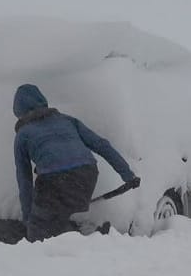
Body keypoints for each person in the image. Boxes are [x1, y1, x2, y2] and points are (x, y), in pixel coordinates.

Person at [13, 84, 140, 242]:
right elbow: (101, 145)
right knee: (59, 218)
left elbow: (24, 179)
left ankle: (63, 251)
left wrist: (27, 217)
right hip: (86, 174)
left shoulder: (23, 135)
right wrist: (128, 175)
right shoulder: (67, 120)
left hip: (53, 180)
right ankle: (91, 241)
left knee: (39, 231)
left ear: (20, 113)